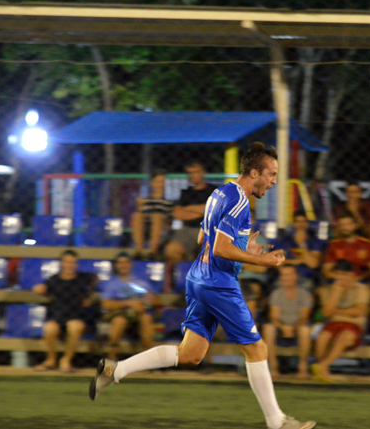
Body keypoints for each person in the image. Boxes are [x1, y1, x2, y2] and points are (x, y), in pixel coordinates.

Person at [90, 142, 315, 429]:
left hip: (199, 276)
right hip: (218, 282)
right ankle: (277, 422)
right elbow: (221, 248)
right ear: (254, 172)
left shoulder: (219, 193)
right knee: (257, 350)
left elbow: (202, 240)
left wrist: (246, 248)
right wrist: (262, 261)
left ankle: (115, 370)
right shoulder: (240, 202)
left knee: (191, 354)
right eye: (271, 174)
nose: (273, 181)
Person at [32, 250, 96, 372]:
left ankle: (66, 360)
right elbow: (45, 290)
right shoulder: (54, 279)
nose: (69, 265)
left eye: (72, 262)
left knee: (74, 326)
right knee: (49, 327)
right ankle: (51, 360)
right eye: (66, 262)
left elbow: (95, 279)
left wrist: (89, 296)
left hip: (77, 316)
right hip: (58, 316)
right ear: (61, 263)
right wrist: (41, 290)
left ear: (76, 264)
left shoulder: (83, 278)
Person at [311, 259, 370, 382]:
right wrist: (336, 293)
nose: (341, 278)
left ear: (351, 275)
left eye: (344, 274)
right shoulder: (328, 289)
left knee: (345, 336)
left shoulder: (361, 289)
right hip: (333, 323)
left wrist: (336, 311)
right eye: (338, 274)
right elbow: (326, 313)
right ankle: (323, 371)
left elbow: (359, 311)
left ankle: (322, 366)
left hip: (354, 324)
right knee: (322, 337)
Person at [100, 253, 159, 360]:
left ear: (131, 264)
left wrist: (143, 301)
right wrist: (128, 303)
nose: (123, 265)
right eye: (120, 263)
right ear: (116, 265)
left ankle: (149, 362)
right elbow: (106, 304)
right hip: (120, 313)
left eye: (126, 262)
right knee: (119, 321)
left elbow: (155, 301)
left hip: (138, 314)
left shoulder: (140, 282)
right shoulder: (112, 284)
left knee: (146, 318)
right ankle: (111, 360)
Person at [263, 265, 314, 379]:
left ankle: (303, 366)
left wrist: (293, 328)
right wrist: (283, 327)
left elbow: (304, 317)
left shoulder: (304, 294)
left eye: (288, 275)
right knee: (268, 328)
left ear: (295, 276)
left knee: (305, 330)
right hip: (280, 327)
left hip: (298, 326)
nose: (285, 278)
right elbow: (274, 316)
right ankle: (273, 367)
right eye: (283, 275)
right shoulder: (276, 294)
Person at [164, 160, 217, 264]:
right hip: (187, 229)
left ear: (202, 173)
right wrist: (203, 210)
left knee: (211, 252)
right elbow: (178, 213)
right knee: (171, 250)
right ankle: (184, 274)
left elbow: (215, 210)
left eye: (196, 172)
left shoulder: (213, 190)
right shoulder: (185, 193)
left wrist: (188, 208)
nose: (192, 175)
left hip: (209, 229)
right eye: (190, 173)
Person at [277, 211, 325, 291]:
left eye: (303, 221)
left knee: (306, 286)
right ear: (293, 224)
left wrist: (301, 244)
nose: (300, 224)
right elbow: (278, 263)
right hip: (287, 276)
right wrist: (300, 261)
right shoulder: (286, 241)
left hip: (306, 277)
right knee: (277, 287)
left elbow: (313, 264)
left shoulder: (314, 241)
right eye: (298, 221)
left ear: (307, 224)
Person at [322, 213, 370, 281]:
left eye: (348, 224)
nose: (344, 228)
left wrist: (358, 278)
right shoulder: (334, 245)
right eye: (342, 225)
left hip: (360, 282)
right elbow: (326, 271)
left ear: (355, 225)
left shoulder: (368, 245)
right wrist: (341, 277)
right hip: (339, 281)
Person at [131, 169, 173, 259]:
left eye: (162, 182)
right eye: (157, 181)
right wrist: (139, 207)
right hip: (146, 228)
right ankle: (139, 251)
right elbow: (141, 215)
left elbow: (169, 220)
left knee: (157, 216)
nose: (160, 184)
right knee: (137, 216)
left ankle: (153, 251)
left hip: (161, 230)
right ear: (152, 183)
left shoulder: (168, 202)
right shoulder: (145, 201)